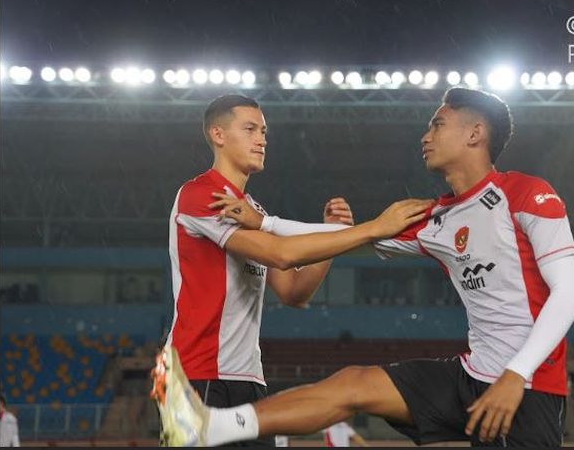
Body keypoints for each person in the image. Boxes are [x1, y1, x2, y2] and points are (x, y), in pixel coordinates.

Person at [152, 87, 574, 447]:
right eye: (251, 129)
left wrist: (516, 374)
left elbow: (568, 295)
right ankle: (210, 426)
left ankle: (211, 425)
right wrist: (277, 225)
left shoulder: (528, 193)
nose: (426, 135)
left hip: (525, 386)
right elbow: (338, 242)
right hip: (470, 373)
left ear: (475, 133)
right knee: (355, 382)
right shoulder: (436, 218)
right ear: (217, 134)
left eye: (437, 124)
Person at [158, 93, 433, 447]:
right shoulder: (201, 194)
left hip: (247, 376)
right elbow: (282, 253)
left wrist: (330, 237)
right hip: (196, 373)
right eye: (250, 128)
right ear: (218, 134)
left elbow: (294, 292)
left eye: (264, 131)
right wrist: (371, 229)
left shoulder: (250, 208)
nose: (262, 139)